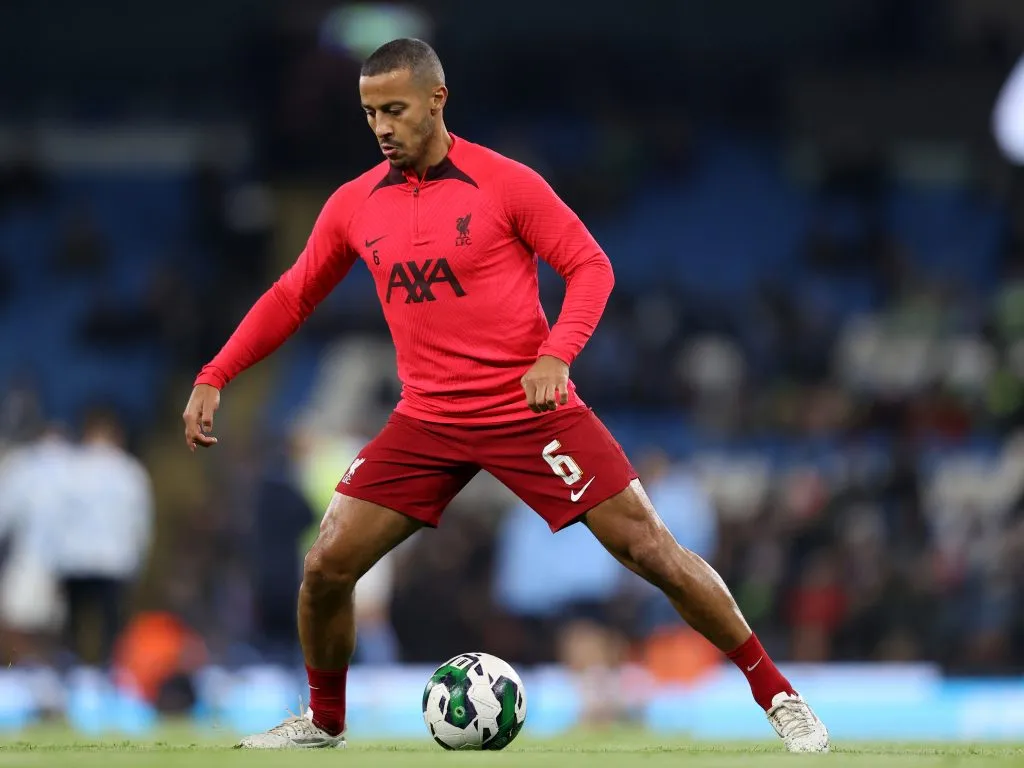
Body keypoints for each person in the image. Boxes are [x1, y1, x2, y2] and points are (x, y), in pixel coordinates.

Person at [182, 38, 829, 752]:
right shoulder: (353, 205)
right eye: (370, 114)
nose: (382, 127)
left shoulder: (504, 184)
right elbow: (291, 295)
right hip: (426, 419)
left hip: (529, 411)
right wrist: (215, 373)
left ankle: (781, 698)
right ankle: (324, 722)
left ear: (437, 99)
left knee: (651, 551)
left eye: (394, 109)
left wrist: (556, 355)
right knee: (326, 565)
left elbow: (590, 265)